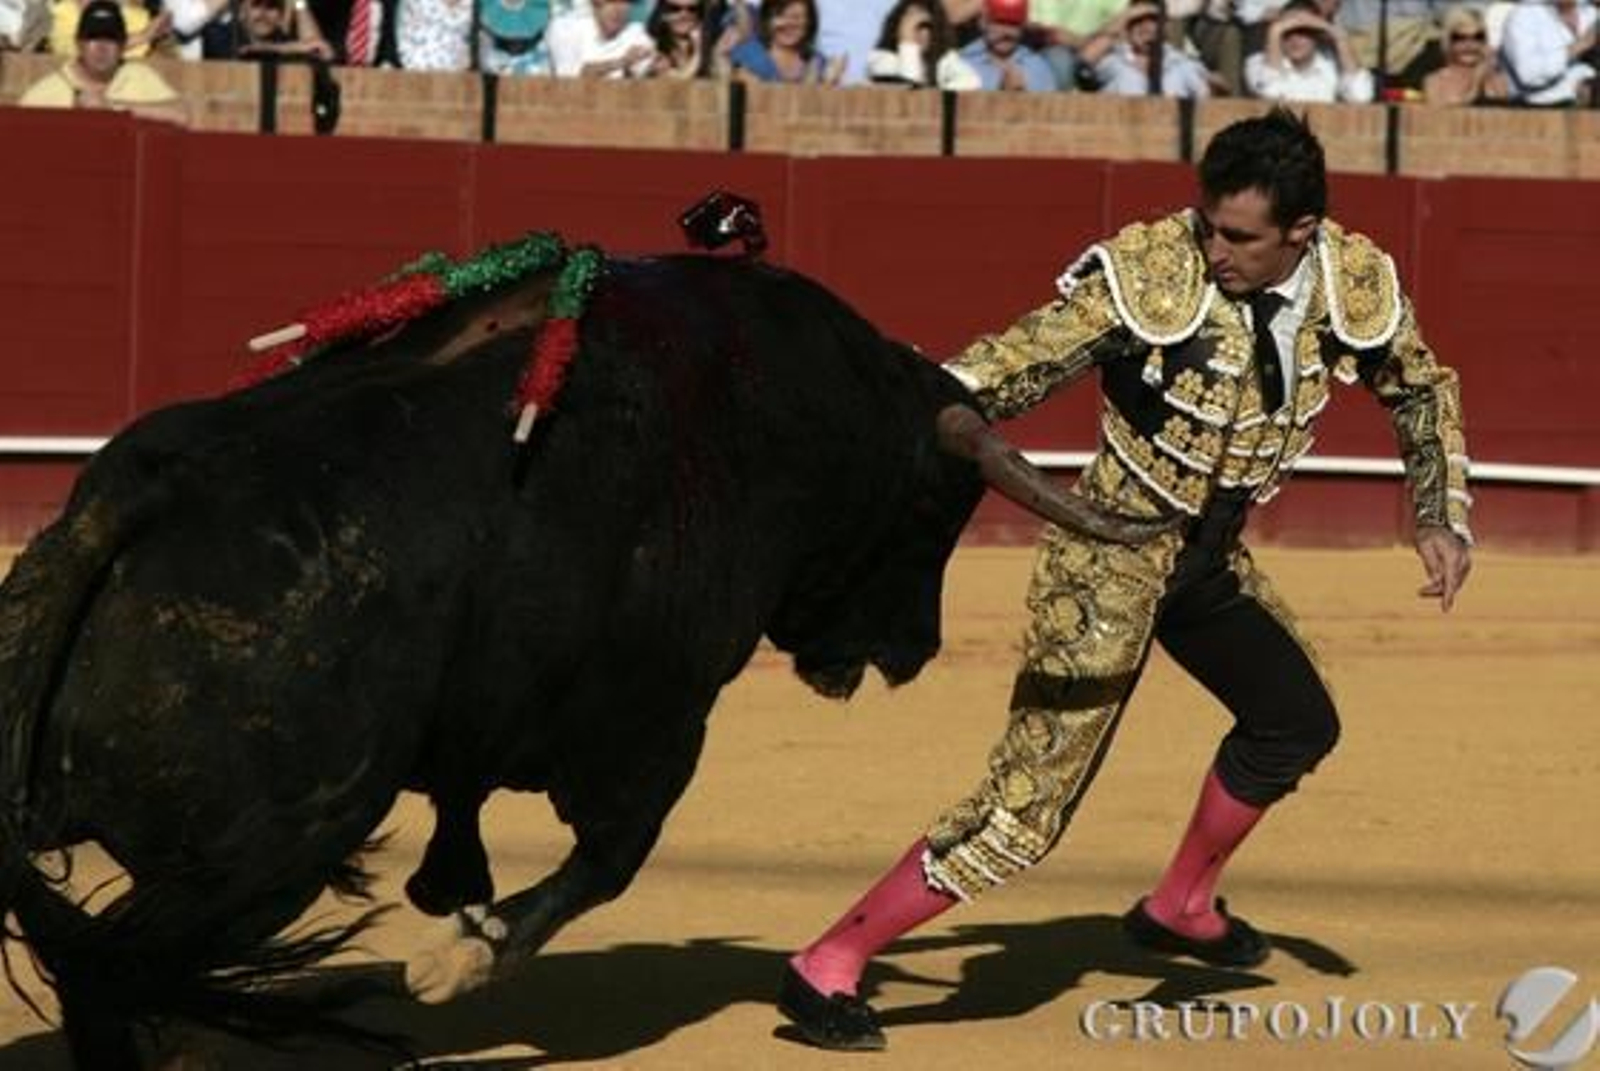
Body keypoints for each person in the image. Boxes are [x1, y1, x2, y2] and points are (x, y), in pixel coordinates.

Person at [776, 107, 1472, 1052]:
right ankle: (829, 959)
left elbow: (1422, 385)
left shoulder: (1352, 281)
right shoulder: (1155, 272)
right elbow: (1017, 360)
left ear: (1301, 233)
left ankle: (1182, 903)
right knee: (1028, 811)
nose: (1214, 248)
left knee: (1295, 720)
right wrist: (925, 396)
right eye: (1210, 224)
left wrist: (1438, 510)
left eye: (1240, 236)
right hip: (1106, 557)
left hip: (1209, 560)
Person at [19, 0, 188, 122]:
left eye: (111, 39)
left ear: (122, 45)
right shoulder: (51, 89)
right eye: (93, 38)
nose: (101, 47)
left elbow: (181, 115)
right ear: (80, 44)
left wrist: (113, 108)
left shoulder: (138, 75)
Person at [1245, 0, 1373, 103]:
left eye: (1303, 31)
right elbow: (1270, 95)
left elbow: (1361, 97)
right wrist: (1275, 31)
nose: (1295, 39)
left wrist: (1338, 35)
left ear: (1317, 34)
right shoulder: (1258, 63)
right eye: (1287, 32)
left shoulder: (1332, 65)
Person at [1079, 0, 1211, 96]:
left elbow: (1207, 97)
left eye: (1153, 20)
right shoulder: (1114, 59)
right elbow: (1084, 59)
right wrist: (1128, 14)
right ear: (1127, 27)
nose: (1146, 27)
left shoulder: (1181, 63)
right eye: (1138, 21)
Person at [1499, 0, 1596, 107]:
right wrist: (1578, 46)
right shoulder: (1523, 15)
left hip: (1590, 99)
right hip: (1540, 109)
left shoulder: (1590, 11)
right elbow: (1528, 74)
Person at [865, 0, 981, 88]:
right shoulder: (882, 59)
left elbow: (971, 82)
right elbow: (906, 96)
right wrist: (908, 44)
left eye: (925, 25)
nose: (915, 31)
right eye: (907, 24)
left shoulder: (947, 62)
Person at [727, 0, 843, 84]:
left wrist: (829, 84)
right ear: (767, 20)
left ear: (809, 23)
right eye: (780, 16)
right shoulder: (747, 56)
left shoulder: (819, 63)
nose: (788, 24)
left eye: (796, 17)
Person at [958, 0, 1056, 90]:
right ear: (983, 22)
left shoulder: (1037, 67)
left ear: (1023, 27)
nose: (1006, 32)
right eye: (999, 22)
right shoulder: (962, 64)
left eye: (1013, 24)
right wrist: (1003, 92)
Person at [1421, 4, 1507, 106]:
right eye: (1460, 38)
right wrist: (1476, 82)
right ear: (1448, 41)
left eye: (1477, 37)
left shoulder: (1498, 81)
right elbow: (1446, 118)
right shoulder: (1435, 82)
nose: (1469, 45)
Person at [548, 0, 655, 76]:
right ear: (594, 3)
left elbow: (644, 71)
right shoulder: (564, 27)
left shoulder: (636, 33)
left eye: (625, 1)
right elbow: (569, 78)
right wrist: (621, 62)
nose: (619, 10)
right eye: (611, 1)